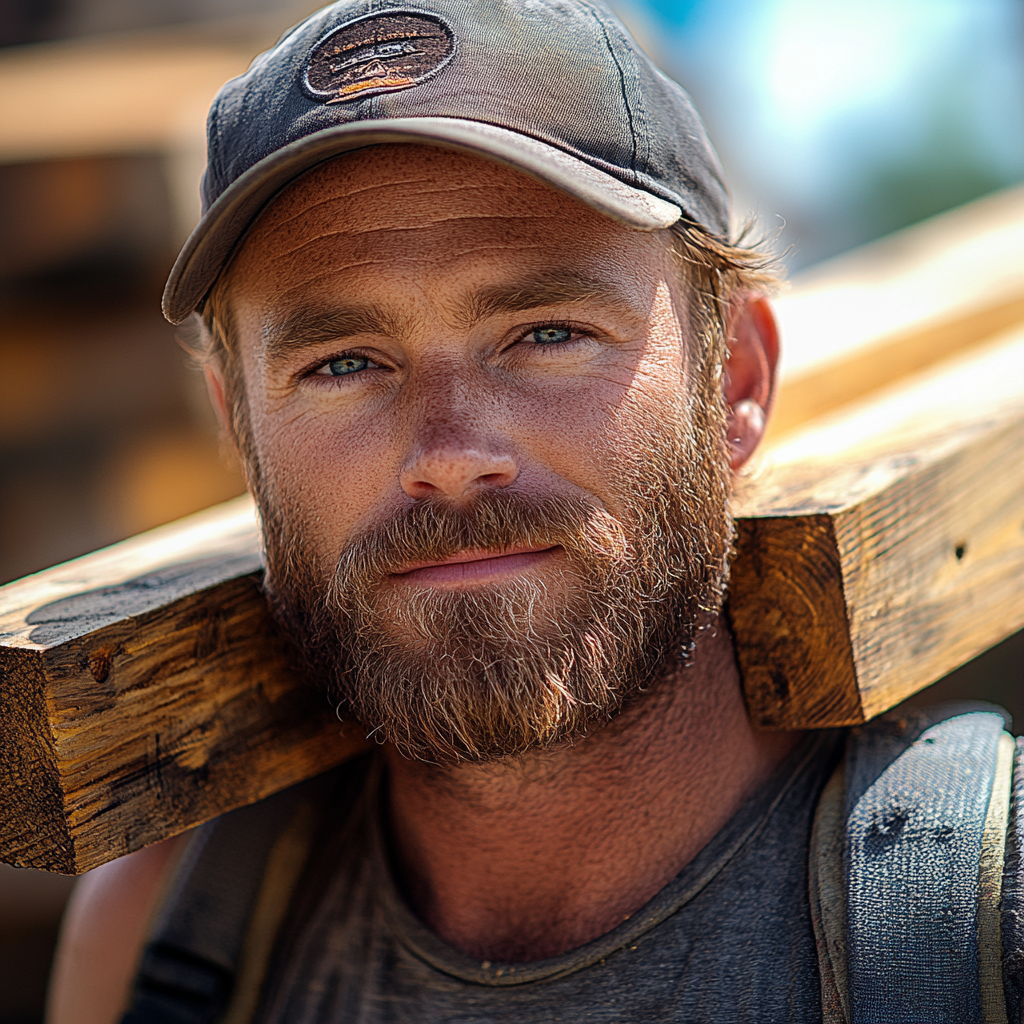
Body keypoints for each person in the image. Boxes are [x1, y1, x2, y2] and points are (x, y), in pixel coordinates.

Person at [44, 2, 1023, 1022]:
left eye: (545, 333)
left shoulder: (981, 920)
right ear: (236, 426)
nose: (452, 454)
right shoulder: (165, 938)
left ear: (732, 378)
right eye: (343, 362)